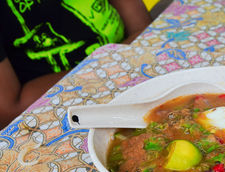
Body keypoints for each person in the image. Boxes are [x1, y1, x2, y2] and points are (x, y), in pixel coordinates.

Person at [0, 0, 153, 128]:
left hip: (134, 69)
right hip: (57, 112)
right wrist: (109, 64)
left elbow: (144, 32)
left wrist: (129, 52)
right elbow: (9, 110)